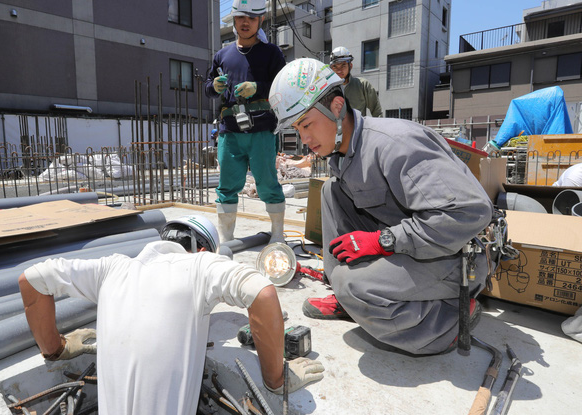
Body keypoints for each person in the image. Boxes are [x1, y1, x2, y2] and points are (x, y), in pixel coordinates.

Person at [269, 59, 494, 355]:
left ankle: (448, 319)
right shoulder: (346, 152)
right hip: (421, 249)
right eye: (298, 129)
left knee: (354, 287)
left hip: (456, 258)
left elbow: (470, 212)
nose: (304, 139)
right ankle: (348, 297)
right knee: (330, 191)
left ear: (337, 107)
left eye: (307, 124)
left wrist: (382, 241)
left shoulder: (396, 145)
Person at [18, 215, 324, 414]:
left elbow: (31, 279)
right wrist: (276, 378)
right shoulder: (201, 267)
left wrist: (56, 348)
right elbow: (263, 292)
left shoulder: (112, 267)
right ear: (204, 251)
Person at [204, 0, 286, 244]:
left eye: (252, 17)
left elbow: (283, 86)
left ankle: (278, 235)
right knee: (227, 186)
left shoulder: (271, 53)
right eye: (241, 17)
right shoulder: (222, 55)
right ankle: (225, 238)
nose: (246, 22)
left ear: (260, 20)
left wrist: (258, 87)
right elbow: (209, 87)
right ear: (234, 20)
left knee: (267, 182)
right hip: (229, 131)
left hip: (261, 128)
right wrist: (213, 86)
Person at [329, 46, 382, 118]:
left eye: (343, 65)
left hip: (359, 128)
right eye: (335, 66)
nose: (339, 70)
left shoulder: (362, 85)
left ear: (350, 66)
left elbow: (377, 113)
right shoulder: (328, 90)